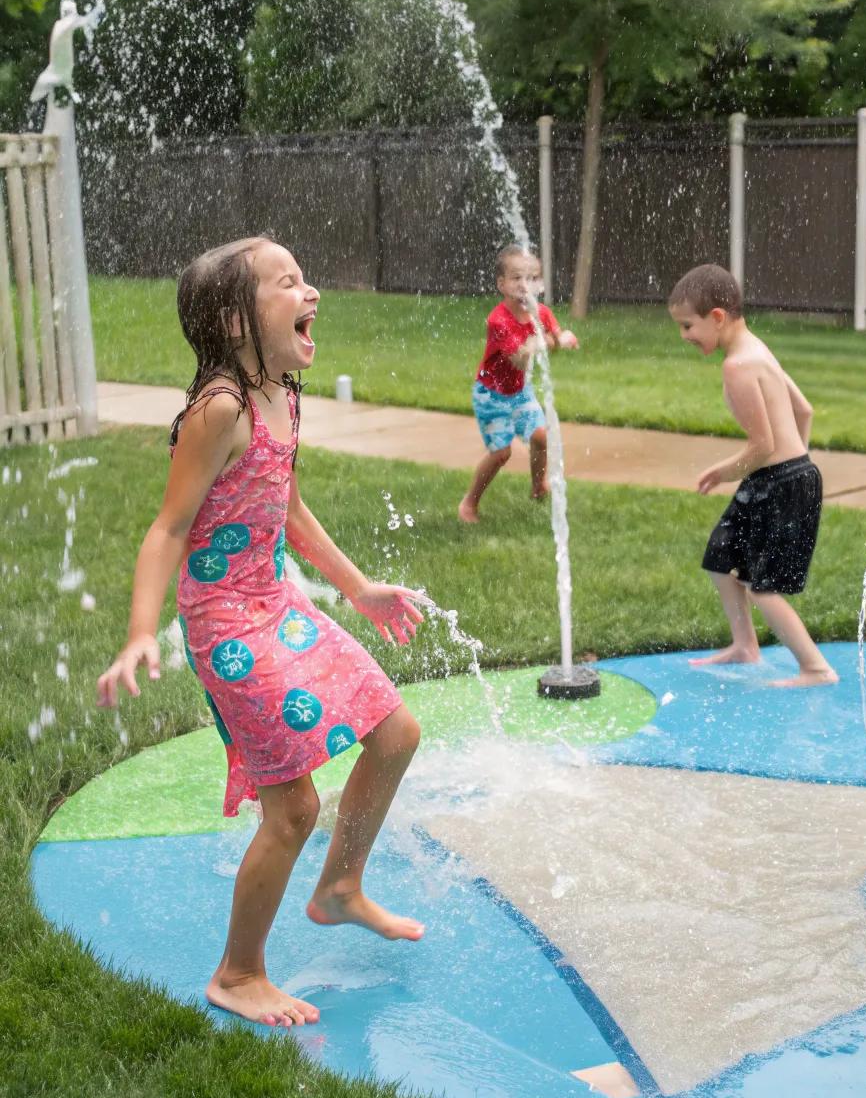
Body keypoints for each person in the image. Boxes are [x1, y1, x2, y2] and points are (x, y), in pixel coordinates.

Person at [97, 237, 427, 1029]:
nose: (310, 290)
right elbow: (169, 529)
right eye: (289, 282)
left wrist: (358, 588)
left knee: (396, 733)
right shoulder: (221, 409)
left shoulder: (282, 391)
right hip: (225, 626)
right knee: (292, 810)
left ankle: (339, 888)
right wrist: (144, 631)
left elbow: (287, 504)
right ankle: (239, 973)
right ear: (233, 320)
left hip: (279, 602)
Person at [669, 263, 836, 688]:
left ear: (718, 317)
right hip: (780, 477)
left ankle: (815, 668)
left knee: (764, 586)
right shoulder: (757, 349)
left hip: (780, 481)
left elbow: (761, 445)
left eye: (688, 326)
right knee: (720, 556)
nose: (684, 336)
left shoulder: (737, 366)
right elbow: (804, 410)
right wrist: (800, 460)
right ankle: (745, 646)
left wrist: (724, 472)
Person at [458, 245, 578, 523]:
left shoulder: (542, 313)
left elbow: (552, 345)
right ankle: (469, 503)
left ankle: (538, 487)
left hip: (519, 391)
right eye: (516, 278)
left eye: (533, 277)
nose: (525, 284)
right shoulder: (498, 320)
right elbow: (519, 359)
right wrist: (550, 341)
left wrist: (561, 341)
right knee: (501, 453)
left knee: (540, 437)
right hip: (491, 395)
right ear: (501, 284)